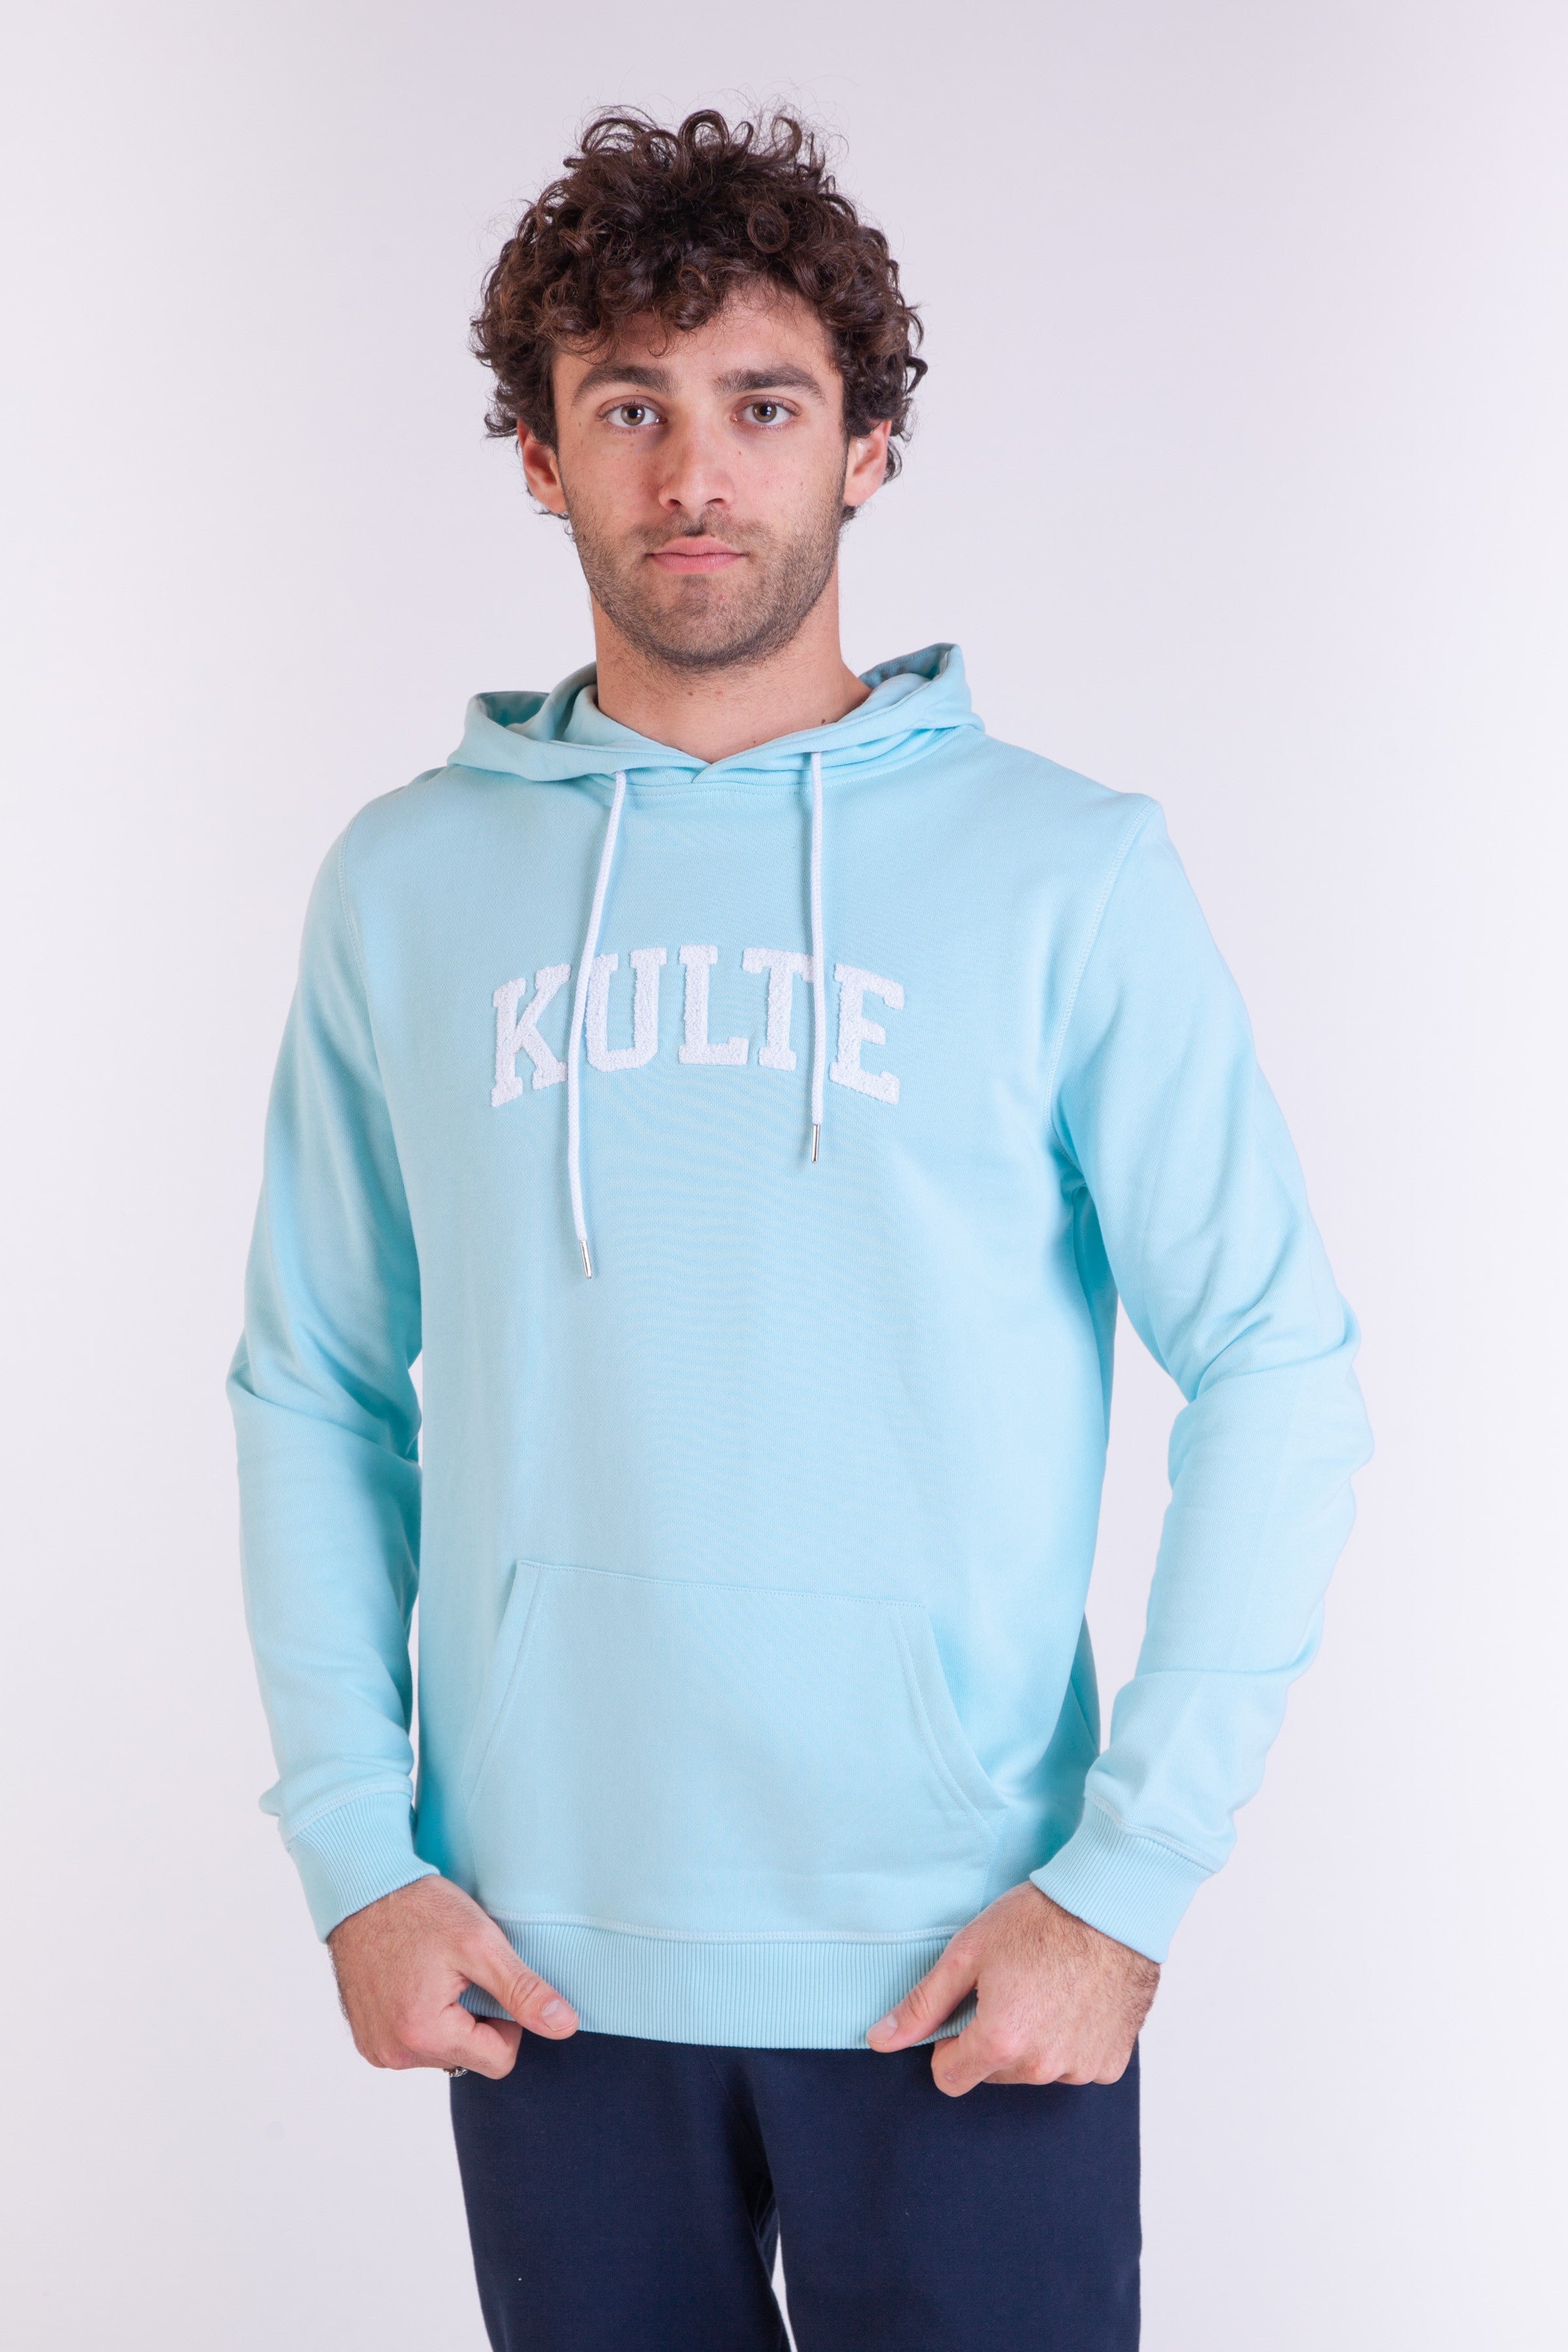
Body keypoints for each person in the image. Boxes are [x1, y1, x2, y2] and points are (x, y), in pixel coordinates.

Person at [229, 106, 1372, 2351]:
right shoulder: (407, 883)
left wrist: (1126, 1880)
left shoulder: (1069, 873)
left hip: (966, 1959)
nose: (694, 476)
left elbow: (1279, 1363)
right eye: (626, 409)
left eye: (762, 406)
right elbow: (315, 1383)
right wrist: (357, 1852)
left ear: (866, 449)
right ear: (540, 457)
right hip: (540, 1960)